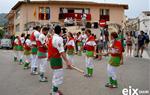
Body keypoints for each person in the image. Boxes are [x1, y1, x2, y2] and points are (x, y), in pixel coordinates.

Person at [48, 25, 72, 95]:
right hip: (56, 59)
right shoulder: (58, 38)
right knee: (58, 77)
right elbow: (62, 51)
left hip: (53, 58)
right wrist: (67, 61)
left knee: (55, 76)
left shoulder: (52, 37)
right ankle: (54, 92)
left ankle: (53, 90)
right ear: (60, 31)